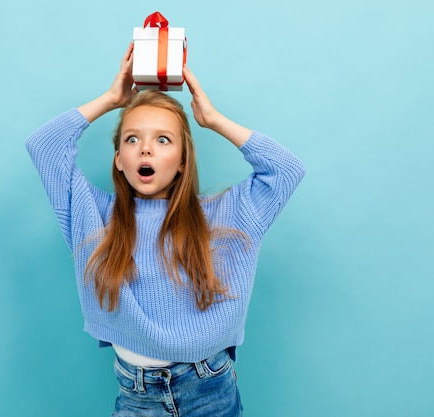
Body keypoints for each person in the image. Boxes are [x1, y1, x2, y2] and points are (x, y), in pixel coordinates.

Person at [26, 43, 306, 416]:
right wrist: (112, 99)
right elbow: (44, 146)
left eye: (163, 140)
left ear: (181, 162)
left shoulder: (222, 215)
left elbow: (286, 170)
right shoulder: (93, 216)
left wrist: (214, 120)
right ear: (119, 161)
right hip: (137, 395)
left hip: (210, 389)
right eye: (132, 139)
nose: (145, 150)